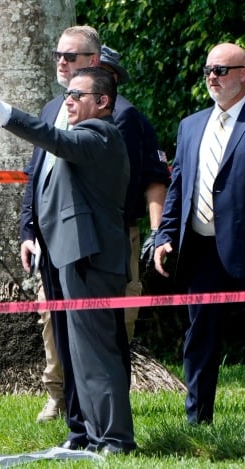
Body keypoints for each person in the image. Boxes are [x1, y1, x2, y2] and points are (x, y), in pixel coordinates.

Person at [0, 66, 136, 455]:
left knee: (97, 353)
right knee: (80, 353)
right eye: (66, 94)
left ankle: (116, 440)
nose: (66, 101)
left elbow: (52, 138)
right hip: (69, 256)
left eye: (76, 96)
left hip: (91, 258)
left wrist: (4, 113)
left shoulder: (100, 134)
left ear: (101, 102)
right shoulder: (84, 134)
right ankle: (94, 435)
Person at [154, 43, 245, 425]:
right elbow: (179, 188)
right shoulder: (190, 126)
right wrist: (163, 235)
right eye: (208, 69)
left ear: (243, 74)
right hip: (200, 248)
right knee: (199, 338)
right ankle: (197, 422)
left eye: (221, 69)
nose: (212, 76)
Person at [19, 26, 101, 436]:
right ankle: (76, 425)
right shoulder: (53, 107)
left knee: (93, 339)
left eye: (70, 56)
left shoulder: (110, 113)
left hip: (89, 245)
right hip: (48, 244)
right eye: (58, 55)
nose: (62, 62)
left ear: (94, 62)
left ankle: (102, 425)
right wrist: (26, 231)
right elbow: (34, 177)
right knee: (63, 336)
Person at [98, 45, 170, 342]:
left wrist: (157, 232)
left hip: (120, 232)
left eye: (100, 72)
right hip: (72, 234)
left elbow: (155, 178)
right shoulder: (61, 114)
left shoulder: (131, 118)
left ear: (114, 78)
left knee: (122, 313)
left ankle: (116, 381)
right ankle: (60, 388)